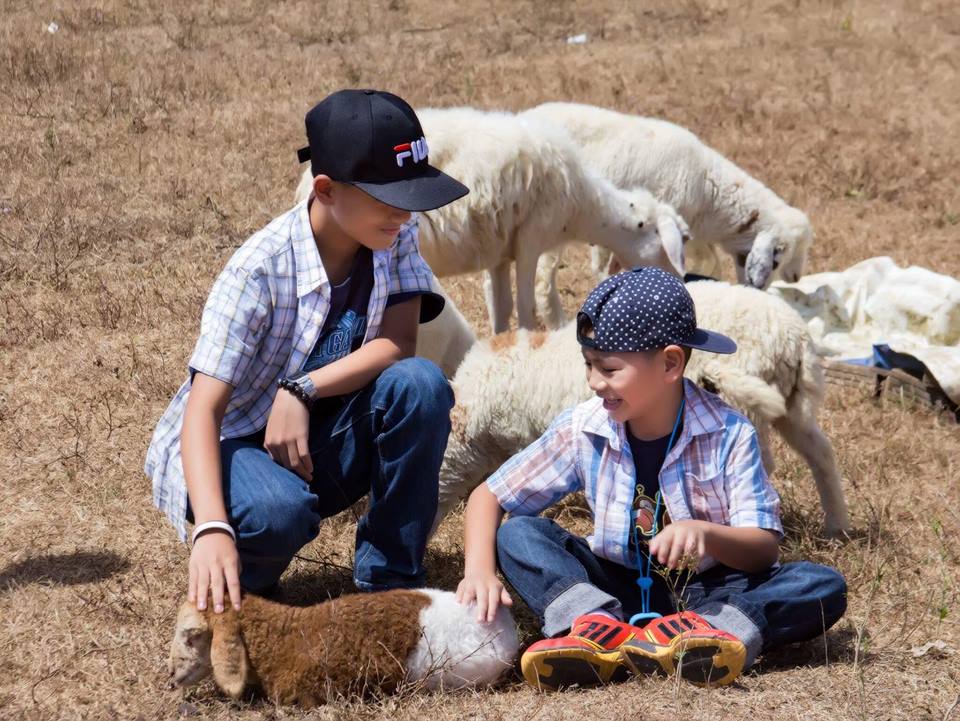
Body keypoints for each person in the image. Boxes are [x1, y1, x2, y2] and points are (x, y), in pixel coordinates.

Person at [145, 89, 468, 615]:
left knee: (421, 386)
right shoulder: (259, 270)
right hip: (229, 444)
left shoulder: (391, 233)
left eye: (411, 200)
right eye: (392, 200)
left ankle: (390, 584)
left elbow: (398, 345)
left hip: (311, 430)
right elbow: (203, 413)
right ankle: (244, 584)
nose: (405, 217)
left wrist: (302, 389)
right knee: (278, 513)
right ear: (326, 189)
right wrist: (210, 527)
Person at [455, 266, 847, 689]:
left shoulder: (729, 433)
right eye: (589, 366)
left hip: (711, 589)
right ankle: (593, 626)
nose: (593, 382)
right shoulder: (583, 427)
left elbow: (763, 550)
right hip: (615, 584)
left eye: (608, 369)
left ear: (670, 364)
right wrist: (478, 569)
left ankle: (704, 634)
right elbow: (489, 496)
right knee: (519, 535)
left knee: (820, 584)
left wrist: (706, 535)